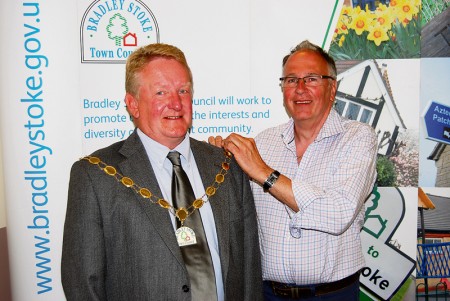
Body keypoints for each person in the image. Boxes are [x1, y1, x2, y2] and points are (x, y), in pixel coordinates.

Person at [61, 43, 263, 301]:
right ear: (133, 105)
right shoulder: (95, 175)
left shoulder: (227, 166)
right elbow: (83, 285)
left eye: (183, 91)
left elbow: (248, 269)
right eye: (161, 92)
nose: (176, 103)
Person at [209, 40, 377, 300]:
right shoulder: (264, 142)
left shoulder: (357, 138)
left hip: (332, 295)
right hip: (268, 294)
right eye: (290, 80)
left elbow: (338, 212)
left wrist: (265, 173)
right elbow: (236, 211)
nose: (300, 89)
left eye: (311, 79)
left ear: (332, 88)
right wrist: (216, 162)